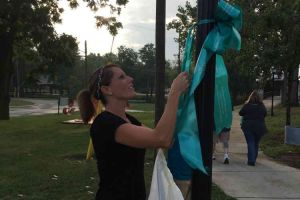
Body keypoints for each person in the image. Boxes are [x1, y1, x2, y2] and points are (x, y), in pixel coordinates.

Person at [77, 64, 189, 200]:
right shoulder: (105, 123)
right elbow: (161, 138)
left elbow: (167, 141)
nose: (131, 79)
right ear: (107, 89)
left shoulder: (130, 120)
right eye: (122, 77)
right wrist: (174, 93)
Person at [239, 90, 267, 166]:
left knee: (250, 142)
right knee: (256, 143)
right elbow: (265, 114)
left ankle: (251, 160)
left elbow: (240, 113)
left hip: (248, 126)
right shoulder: (261, 105)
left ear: (250, 97)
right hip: (260, 126)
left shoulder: (247, 105)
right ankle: (253, 159)